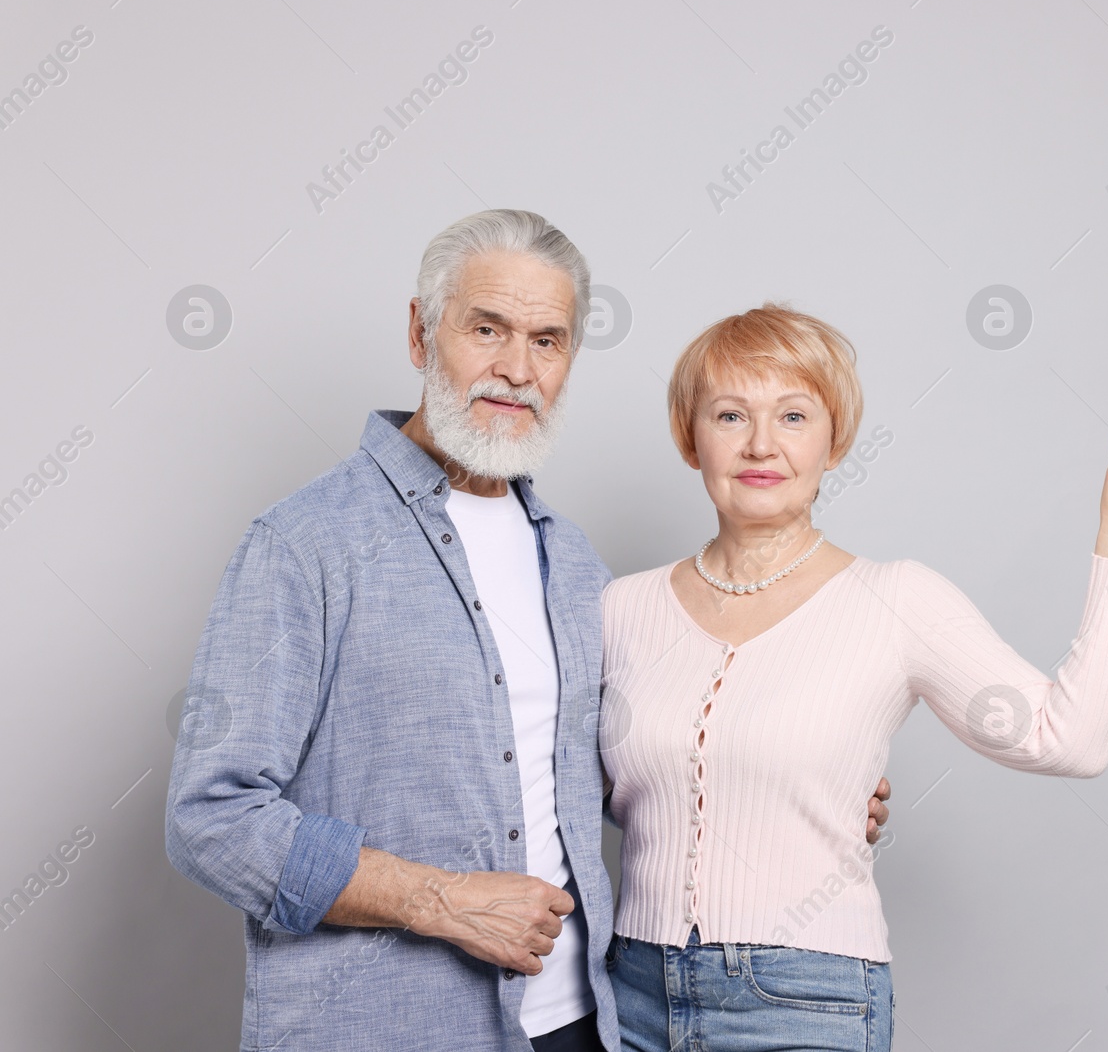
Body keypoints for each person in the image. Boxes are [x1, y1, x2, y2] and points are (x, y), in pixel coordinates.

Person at [163, 211, 892, 1052]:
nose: (516, 369)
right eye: (487, 329)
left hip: (581, 1024)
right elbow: (210, 816)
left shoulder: (576, 565)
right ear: (419, 331)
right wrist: (442, 900)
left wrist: (787, 771)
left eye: (547, 341)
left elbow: (611, 778)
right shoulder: (305, 545)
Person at [599, 304, 1108, 1051]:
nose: (760, 444)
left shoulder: (896, 600)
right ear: (691, 438)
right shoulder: (622, 608)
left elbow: (1070, 738)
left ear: (835, 441)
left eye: (792, 415)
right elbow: (594, 791)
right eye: (728, 414)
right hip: (632, 996)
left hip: (805, 998)